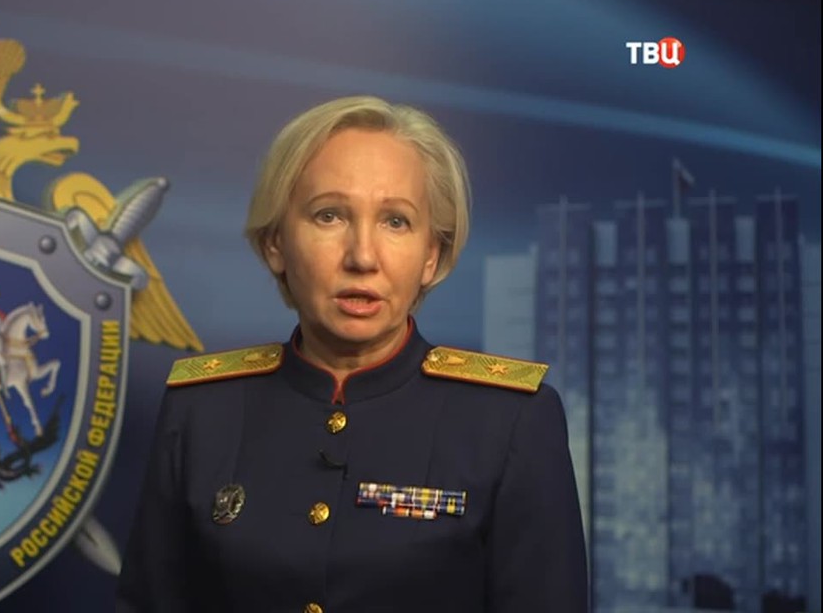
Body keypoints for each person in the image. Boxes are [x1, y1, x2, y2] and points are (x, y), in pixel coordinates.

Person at [116, 96, 588, 612]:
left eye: (396, 222)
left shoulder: (511, 422)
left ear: (431, 256)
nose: (363, 256)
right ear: (276, 243)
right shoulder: (201, 410)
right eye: (329, 216)